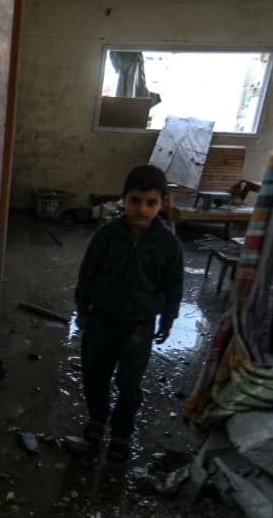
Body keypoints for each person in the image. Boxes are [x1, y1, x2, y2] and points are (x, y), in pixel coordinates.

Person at [74, 165, 183, 463]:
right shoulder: (106, 236)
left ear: (163, 203)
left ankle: (121, 432)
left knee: (129, 383)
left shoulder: (168, 245)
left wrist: (168, 319)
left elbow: (174, 285)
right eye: (135, 200)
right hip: (102, 319)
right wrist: (82, 309)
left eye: (151, 202)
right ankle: (97, 421)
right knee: (95, 376)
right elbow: (88, 274)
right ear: (123, 199)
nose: (142, 209)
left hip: (140, 324)